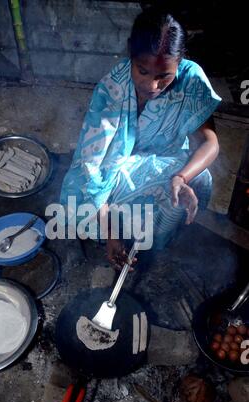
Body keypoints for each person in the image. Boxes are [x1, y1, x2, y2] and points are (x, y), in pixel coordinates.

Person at [60, 8, 221, 271]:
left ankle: (157, 240)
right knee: (80, 204)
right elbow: (93, 168)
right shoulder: (112, 89)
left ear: (179, 62)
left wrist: (181, 177)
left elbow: (210, 143)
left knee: (197, 179)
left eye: (163, 76)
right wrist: (112, 236)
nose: (152, 86)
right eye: (143, 71)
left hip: (163, 163)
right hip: (116, 170)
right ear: (131, 56)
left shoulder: (190, 80)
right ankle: (123, 225)